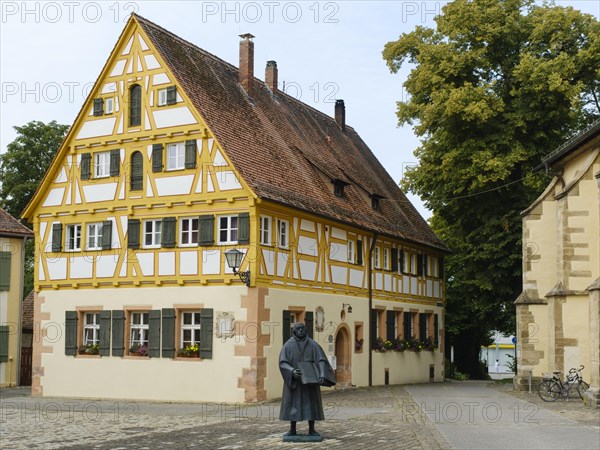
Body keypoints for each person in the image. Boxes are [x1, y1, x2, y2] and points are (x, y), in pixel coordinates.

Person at [279, 322, 335, 437]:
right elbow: (283, 362)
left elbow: (321, 360)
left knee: (311, 404)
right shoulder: (288, 345)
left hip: (311, 380)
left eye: (302, 328)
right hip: (295, 381)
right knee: (292, 404)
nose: (300, 330)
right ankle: (292, 429)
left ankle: (312, 429)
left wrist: (322, 374)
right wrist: (292, 371)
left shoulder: (313, 345)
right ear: (294, 331)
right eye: (298, 328)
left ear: (306, 330)